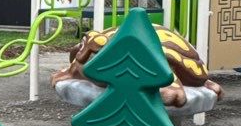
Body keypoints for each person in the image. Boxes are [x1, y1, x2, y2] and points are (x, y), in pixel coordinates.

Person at [51, 26, 223, 110]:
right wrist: (72, 70)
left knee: (167, 70)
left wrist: (169, 83)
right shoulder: (87, 57)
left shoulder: (129, 59)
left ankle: (189, 82)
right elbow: (81, 61)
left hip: (167, 53)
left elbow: (159, 64)